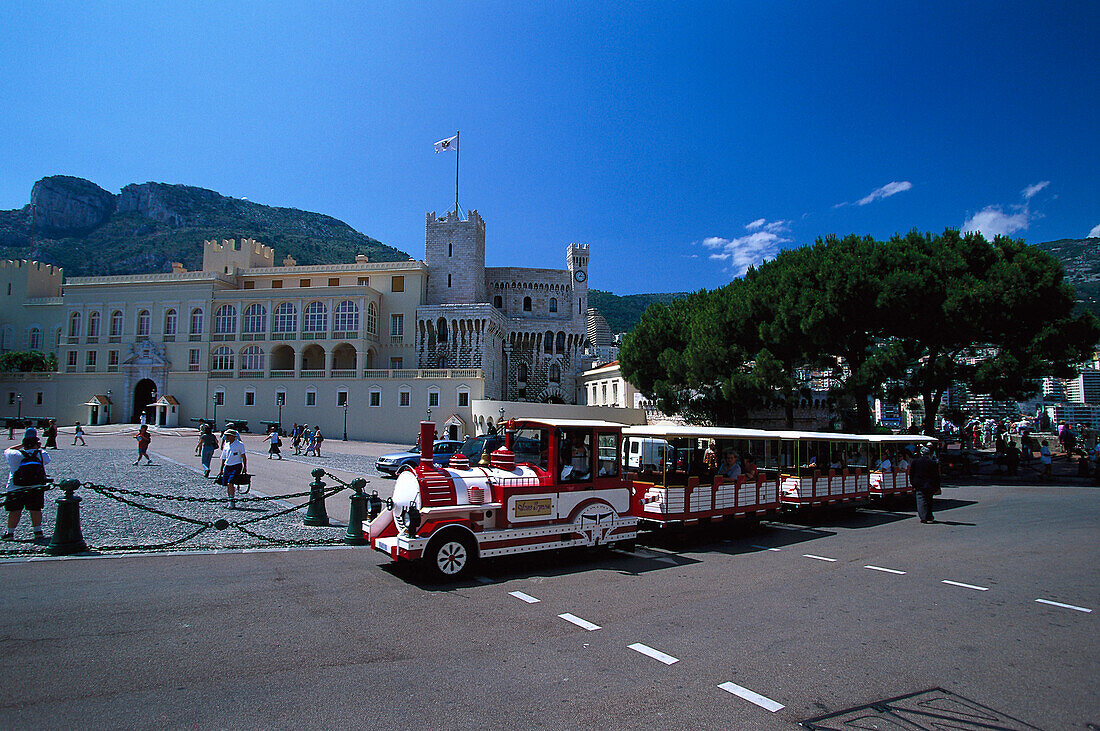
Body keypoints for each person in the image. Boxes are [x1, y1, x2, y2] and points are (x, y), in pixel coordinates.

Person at [4, 428, 50, 542]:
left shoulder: (15, 454)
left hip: (16, 486)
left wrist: (21, 445)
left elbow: (7, 450)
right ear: (36, 444)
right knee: (35, 509)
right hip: (35, 486)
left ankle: (10, 533)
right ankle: (37, 531)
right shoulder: (41, 454)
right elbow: (47, 461)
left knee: (15, 510)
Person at [216, 429, 247, 509]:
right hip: (227, 465)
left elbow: (243, 456)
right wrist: (221, 469)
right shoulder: (226, 444)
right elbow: (223, 457)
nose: (226, 437)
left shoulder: (239, 444)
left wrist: (244, 467)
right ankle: (230, 498)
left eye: (228, 435)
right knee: (227, 484)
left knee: (230, 482)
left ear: (233, 436)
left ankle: (231, 501)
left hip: (236, 465)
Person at [909, 445, 940, 523]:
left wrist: (912, 483)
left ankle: (923, 517)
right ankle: (929, 516)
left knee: (921, 501)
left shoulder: (915, 462)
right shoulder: (932, 463)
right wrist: (937, 486)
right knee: (929, 500)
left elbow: (911, 473)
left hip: (919, 484)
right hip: (929, 485)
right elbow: (936, 475)